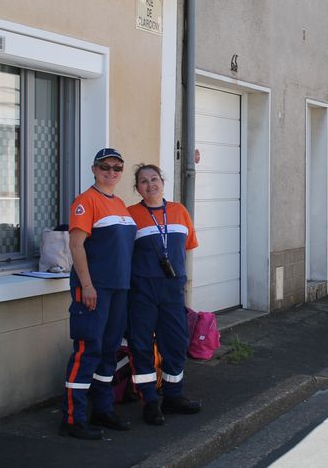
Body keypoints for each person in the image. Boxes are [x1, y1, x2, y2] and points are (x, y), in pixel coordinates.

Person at [60, 148, 137, 440]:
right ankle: (72, 419)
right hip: (94, 290)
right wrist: (88, 286)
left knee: (108, 351)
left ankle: (103, 410)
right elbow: (77, 246)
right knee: (87, 351)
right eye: (105, 166)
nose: (111, 172)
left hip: (119, 290)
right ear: (94, 169)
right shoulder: (85, 202)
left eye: (117, 167)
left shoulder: (119, 204)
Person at [128, 164, 201, 425]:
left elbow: (188, 248)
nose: (150, 185)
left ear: (163, 182)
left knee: (176, 343)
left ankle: (172, 396)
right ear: (137, 188)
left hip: (172, 291)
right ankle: (149, 401)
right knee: (141, 346)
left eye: (154, 179)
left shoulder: (180, 212)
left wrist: (187, 287)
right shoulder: (131, 215)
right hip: (142, 291)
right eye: (144, 181)